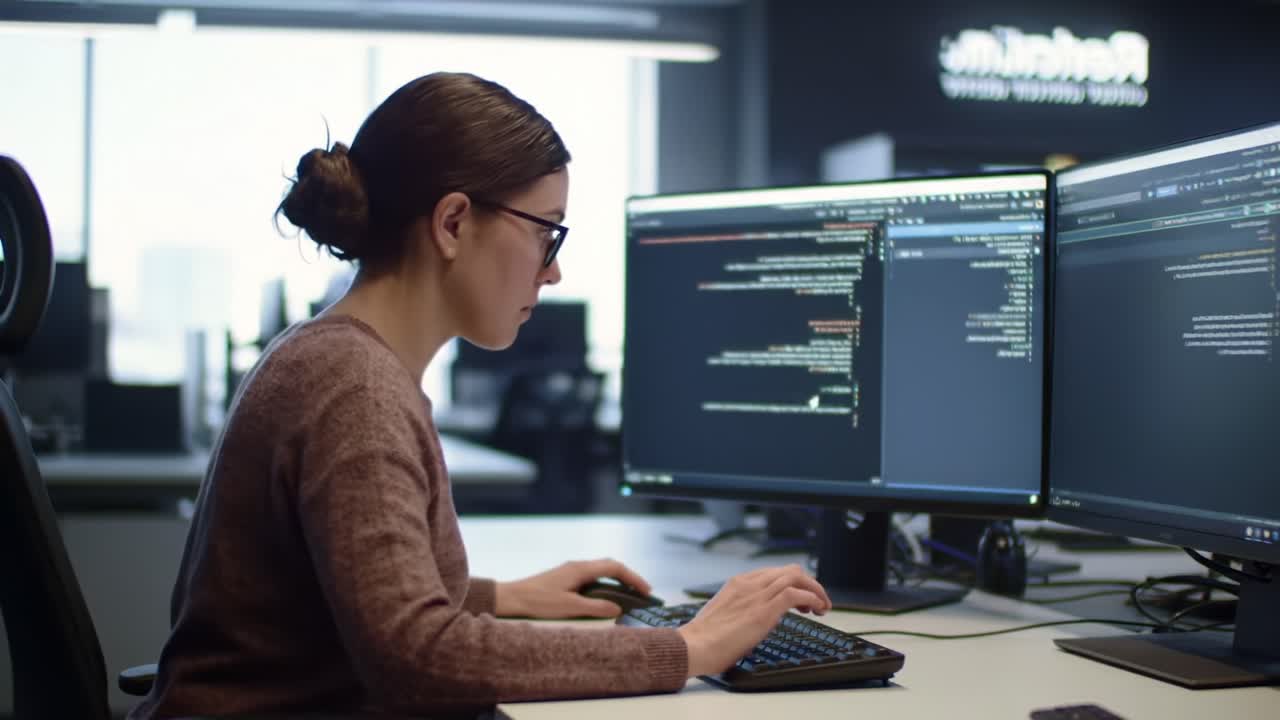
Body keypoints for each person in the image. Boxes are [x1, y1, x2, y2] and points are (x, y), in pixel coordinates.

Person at [128, 71, 831, 720]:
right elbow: (418, 660)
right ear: (454, 223)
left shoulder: (333, 355)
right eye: (546, 234)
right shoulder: (357, 390)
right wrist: (692, 647)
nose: (552, 273)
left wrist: (508, 598)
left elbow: (350, 594)